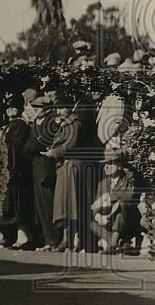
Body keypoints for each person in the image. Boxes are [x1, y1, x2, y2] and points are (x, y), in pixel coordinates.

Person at [45, 96, 104, 252]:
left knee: (72, 205)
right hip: (65, 166)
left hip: (72, 166)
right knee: (65, 205)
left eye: (61, 108)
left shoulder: (75, 123)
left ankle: (71, 240)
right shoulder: (66, 123)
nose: (58, 111)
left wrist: (54, 152)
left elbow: (71, 144)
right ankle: (67, 239)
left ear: (69, 108)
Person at [0, 91, 37, 249]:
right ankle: (8, 235)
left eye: (14, 107)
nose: (11, 110)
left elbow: (16, 146)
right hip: (9, 168)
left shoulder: (19, 125)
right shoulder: (8, 126)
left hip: (17, 169)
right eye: (8, 107)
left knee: (17, 205)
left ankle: (23, 235)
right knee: (9, 204)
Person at [24, 93, 61, 251]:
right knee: (40, 204)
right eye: (35, 107)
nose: (36, 110)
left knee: (48, 202)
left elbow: (40, 144)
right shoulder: (36, 123)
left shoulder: (50, 121)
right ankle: (48, 239)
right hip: (37, 164)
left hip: (46, 165)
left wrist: (32, 147)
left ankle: (54, 239)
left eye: (38, 107)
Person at [90, 147, 142, 255]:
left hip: (128, 218)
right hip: (109, 219)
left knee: (122, 206)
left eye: (110, 163)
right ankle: (122, 244)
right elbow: (95, 205)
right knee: (92, 224)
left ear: (120, 165)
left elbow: (131, 197)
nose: (106, 166)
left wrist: (108, 197)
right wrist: (98, 216)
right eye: (105, 164)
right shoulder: (102, 183)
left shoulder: (129, 178)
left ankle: (113, 243)